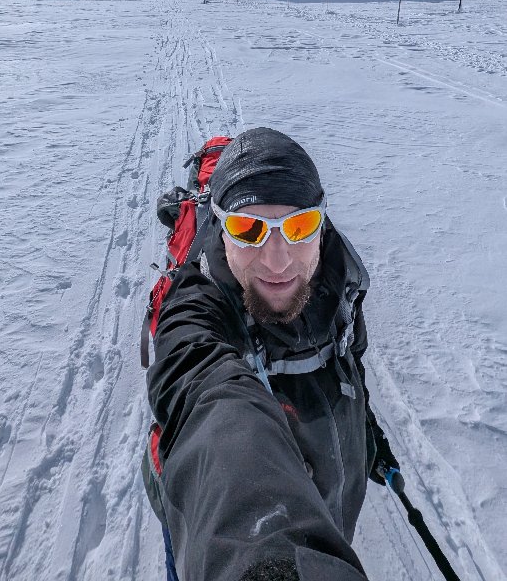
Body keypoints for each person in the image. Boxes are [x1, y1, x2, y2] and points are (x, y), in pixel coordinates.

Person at [146, 128, 399, 581]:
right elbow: (207, 393)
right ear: (220, 230)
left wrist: (366, 431)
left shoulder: (340, 288)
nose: (278, 260)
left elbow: (351, 367)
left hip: (331, 519)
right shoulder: (197, 308)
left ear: (322, 224)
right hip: (208, 527)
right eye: (248, 230)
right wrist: (264, 557)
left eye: (298, 226)